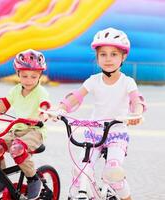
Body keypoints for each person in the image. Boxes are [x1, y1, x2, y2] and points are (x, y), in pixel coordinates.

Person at [53, 28, 146, 200]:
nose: (108, 59)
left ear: (123, 57)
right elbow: (75, 96)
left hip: (117, 134)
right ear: (97, 57)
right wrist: (60, 109)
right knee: (80, 169)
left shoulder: (127, 82)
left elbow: (136, 101)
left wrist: (137, 114)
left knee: (113, 171)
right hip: (94, 132)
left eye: (113, 54)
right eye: (103, 54)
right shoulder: (93, 80)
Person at [0, 49, 51, 200]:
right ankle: (2, 178)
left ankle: (33, 179)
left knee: (17, 149)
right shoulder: (16, 90)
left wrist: (43, 114)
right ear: (18, 74)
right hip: (17, 128)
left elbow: (45, 105)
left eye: (33, 76)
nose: (28, 80)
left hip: (34, 130)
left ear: (40, 75)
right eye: (24, 76)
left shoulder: (41, 92)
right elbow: (4, 103)